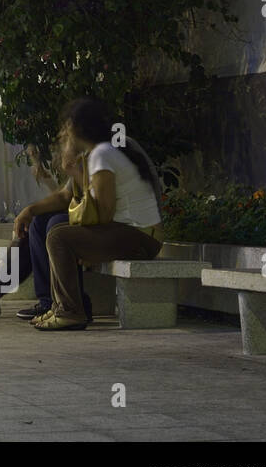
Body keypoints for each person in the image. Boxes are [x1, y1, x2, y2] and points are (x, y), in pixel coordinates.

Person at [29, 98, 164, 331]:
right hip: (133, 233)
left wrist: (86, 244)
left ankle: (71, 311)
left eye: (66, 127)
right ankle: (61, 306)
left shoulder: (102, 153)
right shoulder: (106, 150)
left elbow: (103, 212)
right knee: (58, 231)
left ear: (76, 128)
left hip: (140, 237)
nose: (63, 133)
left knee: (59, 237)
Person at [0, 143, 66, 320]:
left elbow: (69, 200)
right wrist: (46, 178)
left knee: (39, 225)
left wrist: (31, 210)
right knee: (33, 227)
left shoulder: (96, 158)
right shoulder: (87, 160)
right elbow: (65, 196)